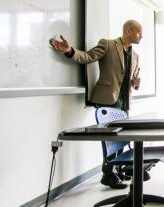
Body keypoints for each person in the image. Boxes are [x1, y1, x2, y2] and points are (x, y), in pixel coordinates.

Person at [49, 20, 143, 189]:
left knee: (121, 138)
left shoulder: (135, 56)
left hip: (124, 103)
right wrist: (69, 51)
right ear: (128, 31)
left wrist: (136, 82)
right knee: (110, 139)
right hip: (107, 100)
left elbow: (130, 80)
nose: (141, 36)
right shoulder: (108, 45)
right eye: (139, 33)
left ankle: (115, 169)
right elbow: (88, 57)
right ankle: (108, 173)